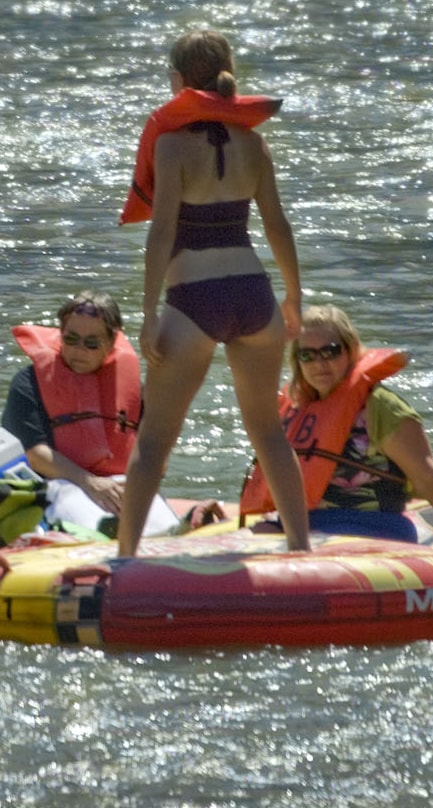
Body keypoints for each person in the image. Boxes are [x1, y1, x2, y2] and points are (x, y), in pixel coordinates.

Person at [114, 30, 312, 557]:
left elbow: (161, 232)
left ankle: (125, 557)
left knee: (154, 439)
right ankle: (300, 547)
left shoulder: (171, 144)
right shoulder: (253, 144)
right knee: (269, 432)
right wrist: (294, 296)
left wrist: (149, 309)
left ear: (179, 84)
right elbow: (278, 226)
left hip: (193, 299)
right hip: (253, 294)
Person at [237, 306, 433, 542]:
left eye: (330, 351)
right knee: (251, 538)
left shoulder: (381, 406)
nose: (319, 364)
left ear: (350, 351)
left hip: (372, 527)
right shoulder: (296, 408)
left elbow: (427, 479)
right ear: (298, 362)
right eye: (307, 355)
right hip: (300, 525)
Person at [3, 290, 222, 538]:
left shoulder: (133, 391)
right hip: (61, 485)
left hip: (122, 484)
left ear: (111, 343)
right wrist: (91, 483)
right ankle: (109, 537)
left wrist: (139, 481)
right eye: (71, 339)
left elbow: (155, 453)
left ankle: (165, 536)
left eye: (91, 343)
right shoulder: (28, 383)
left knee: (168, 529)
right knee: (95, 522)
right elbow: (35, 454)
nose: (79, 350)